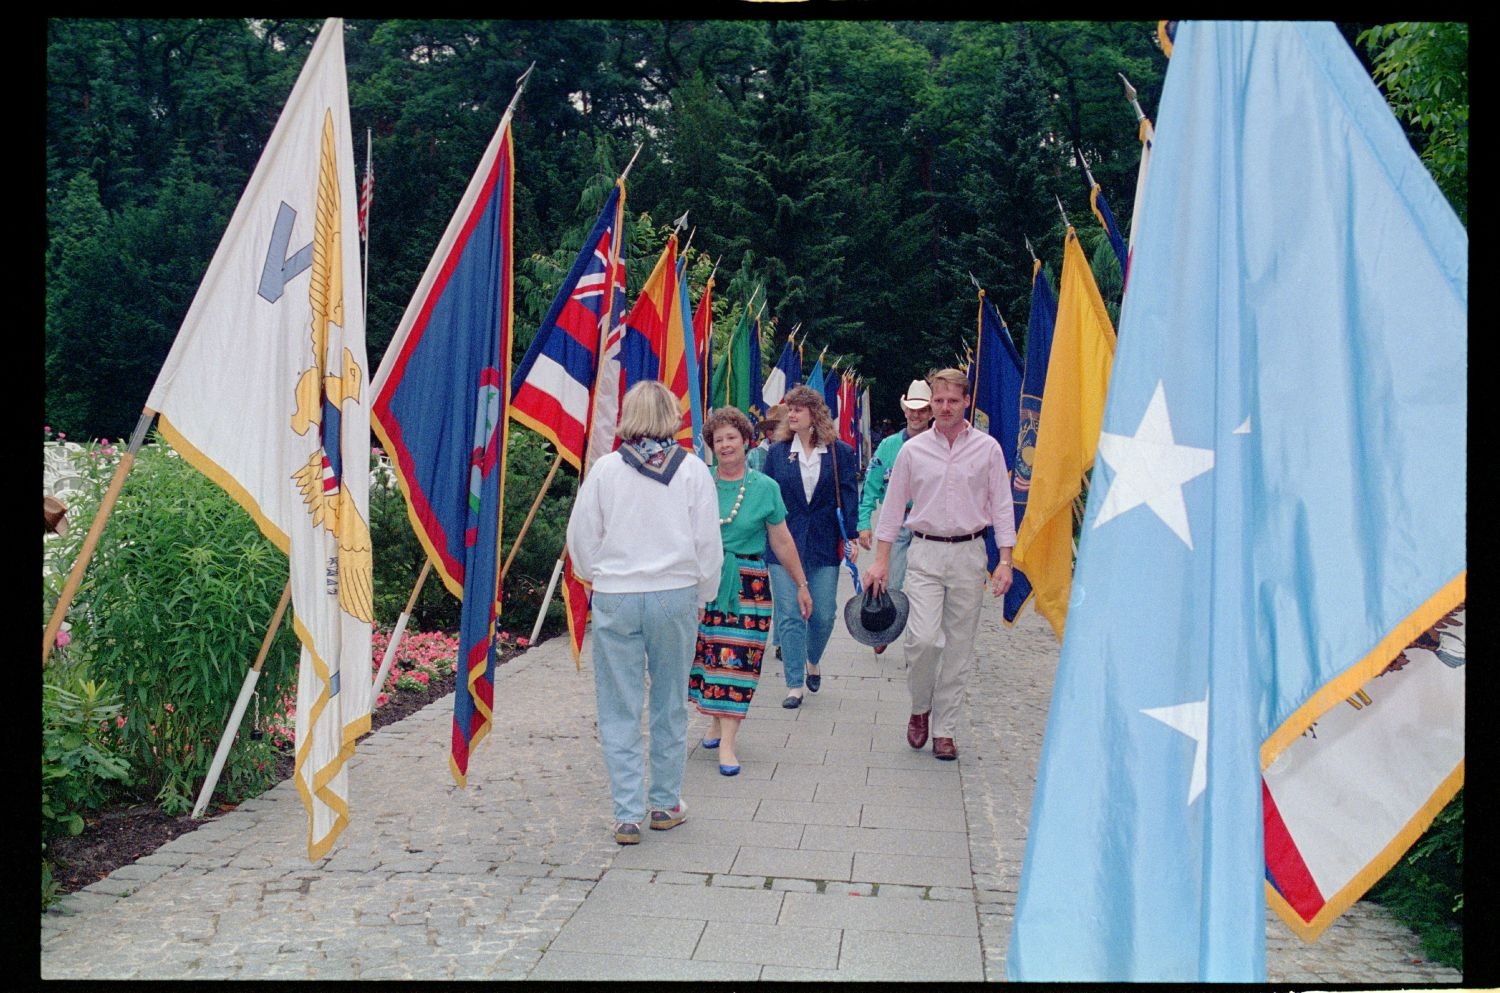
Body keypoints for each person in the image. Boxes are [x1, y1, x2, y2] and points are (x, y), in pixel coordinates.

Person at [565, 380, 723, 845]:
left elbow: (581, 538)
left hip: (617, 593)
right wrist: (703, 593)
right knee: (670, 701)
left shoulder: (606, 470)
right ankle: (665, 802)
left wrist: (602, 576)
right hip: (674, 593)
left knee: (618, 706)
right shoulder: (693, 470)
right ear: (672, 416)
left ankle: (627, 813)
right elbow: (708, 545)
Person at [864, 368, 1015, 762]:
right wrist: (880, 561)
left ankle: (945, 730)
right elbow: (893, 508)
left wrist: (1005, 560)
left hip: (968, 553)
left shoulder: (988, 449)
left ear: (966, 402)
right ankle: (920, 707)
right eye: (938, 401)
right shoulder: (913, 451)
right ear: (930, 405)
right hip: (925, 553)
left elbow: (1002, 505)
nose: (944, 407)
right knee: (924, 640)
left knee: (959, 648)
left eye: (952, 400)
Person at [690, 407, 813, 775]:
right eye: (718, 439)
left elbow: (782, 540)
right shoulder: (700, 483)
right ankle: (715, 720)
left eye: (731, 437)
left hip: (748, 584)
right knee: (710, 657)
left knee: (738, 661)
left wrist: (801, 585)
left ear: (746, 441)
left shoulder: (765, 487)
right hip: (706, 581)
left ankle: (728, 742)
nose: (725, 445)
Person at [761, 384, 860, 709]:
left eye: (798, 409)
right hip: (783, 543)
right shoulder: (777, 453)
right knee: (789, 614)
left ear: (814, 414)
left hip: (822, 541)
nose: (791, 414)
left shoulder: (838, 452)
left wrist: (853, 536)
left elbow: (847, 494)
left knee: (824, 615)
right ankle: (793, 684)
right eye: (789, 409)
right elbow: (767, 498)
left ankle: (812, 659)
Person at [856, 379, 933, 654]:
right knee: (892, 579)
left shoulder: (941, 445)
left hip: (930, 524)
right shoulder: (888, 446)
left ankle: (921, 638)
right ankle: (883, 626)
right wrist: (864, 523)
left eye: (923, 410)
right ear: (904, 410)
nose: (916, 415)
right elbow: (871, 484)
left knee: (928, 586)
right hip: (898, 522)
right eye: (912, 409)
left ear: (931, 412)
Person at [746, 404, 784, 473]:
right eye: (770, 428)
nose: (773, 432)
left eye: (777, 428)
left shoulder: (795, 452)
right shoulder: (754, 454)